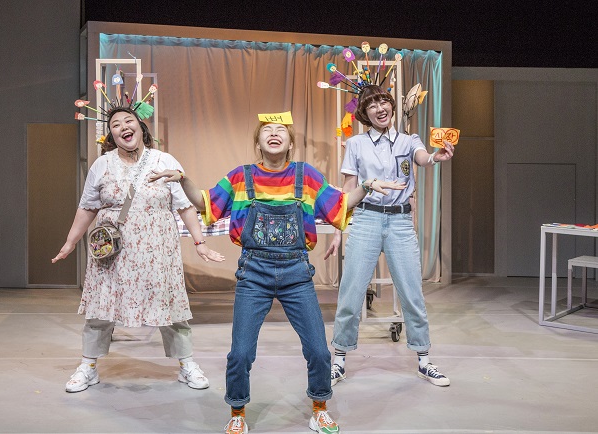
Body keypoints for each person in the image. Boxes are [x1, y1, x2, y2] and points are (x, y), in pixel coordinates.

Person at [150, 112, 406, 434]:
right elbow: (204, 202)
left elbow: (340, 204)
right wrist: (182, 178)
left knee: (319, 350)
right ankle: (237, 411)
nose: (274, 134)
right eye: (267, 130)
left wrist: (366, 186)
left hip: (296, 274)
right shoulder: (241, 176)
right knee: (240, 353)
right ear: (258, 142)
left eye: (281, 130)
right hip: (253, 274)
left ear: (290, 142)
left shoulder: (306, 176)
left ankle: (319, 408)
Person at [52, 106, 224, 393]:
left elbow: (184, 206)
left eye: (128, 121)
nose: (123, 127)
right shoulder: (102, 164)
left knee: (170, 307)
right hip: (113, 252)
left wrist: (200, 243)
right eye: (116, 124)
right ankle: (88, 367)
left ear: (141, 128)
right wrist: (70, 242)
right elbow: (87, 207)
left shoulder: (164, 160)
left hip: (158, 251)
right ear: (112, 135)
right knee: (100, 308)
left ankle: (187, 365)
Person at [324, 84, 455, 388]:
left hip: (399, 222)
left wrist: (436, 157)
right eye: (372, 105)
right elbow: (348, 190)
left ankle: (424, 361)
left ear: (392, 106)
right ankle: (339, 361)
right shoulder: (355, 144)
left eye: (384, 101)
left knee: (412, 293)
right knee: (350, 292)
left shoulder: (409, 140)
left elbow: (423, 158)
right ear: (364, 114)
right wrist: (338, 230)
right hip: (366, 219)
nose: (380, 108)